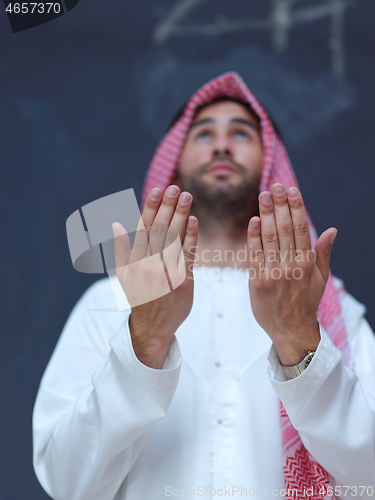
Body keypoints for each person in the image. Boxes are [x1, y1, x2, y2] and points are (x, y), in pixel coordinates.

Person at [32, 72, 375, 500]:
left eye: (241, 133)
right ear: (175, 161)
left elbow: (370, 479)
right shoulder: (111, 301)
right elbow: (67, 483)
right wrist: (145, 340)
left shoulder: (323, 307)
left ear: (270, 160)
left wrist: (300, 340)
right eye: (204, 134)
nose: (222, 145)